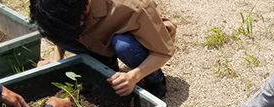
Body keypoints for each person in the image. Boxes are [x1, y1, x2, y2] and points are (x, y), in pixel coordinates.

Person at [30, 0, 175, 98]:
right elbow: (60, 26)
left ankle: (155, 81)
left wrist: (133, 76)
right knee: (64, 33)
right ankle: (107, 68)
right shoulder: (66, 10)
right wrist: (56, 59)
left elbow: (163, 51)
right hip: (99, 36)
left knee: (125, 46)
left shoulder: (132, 6)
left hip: (139, 41)